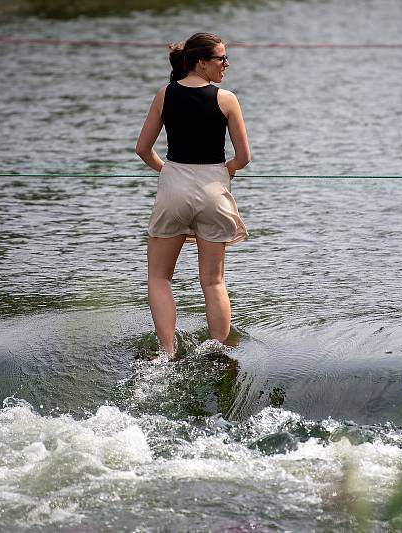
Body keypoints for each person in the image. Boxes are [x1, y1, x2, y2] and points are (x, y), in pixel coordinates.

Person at [135, 32, 251, 358]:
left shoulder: (164, 95)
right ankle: (217, 353)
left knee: (159, 277)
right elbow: (243, 158)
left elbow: (143, 149)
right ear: (201, 62)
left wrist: (168, 172)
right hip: (214, 190)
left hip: (173, 188)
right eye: (221, 59)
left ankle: (167, 354)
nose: (227, 64)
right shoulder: (226, 99)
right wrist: (226, 170)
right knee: (213, 282)